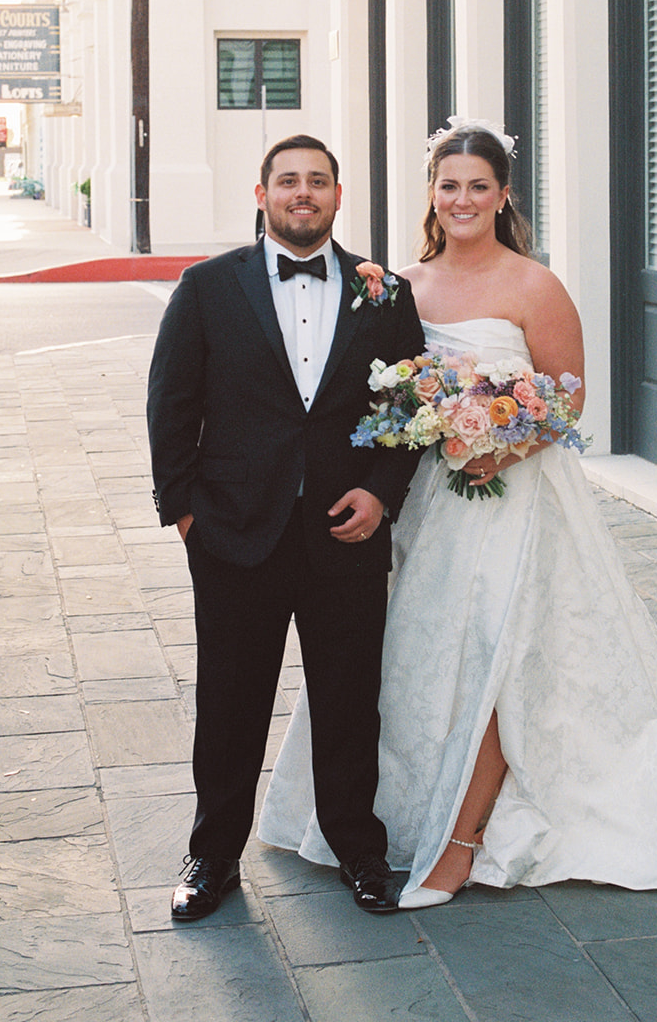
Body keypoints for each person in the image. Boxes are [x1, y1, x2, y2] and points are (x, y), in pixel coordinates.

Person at [259, 118, 657, 905]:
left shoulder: (534, 285)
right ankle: (383, 814)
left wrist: (489, 448)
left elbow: (565, 401)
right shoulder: (399, 284)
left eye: (478, 186)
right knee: (413, 655)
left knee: (500, 655)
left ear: (502, 196)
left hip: (514, 503)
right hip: (425, 506)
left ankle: (462, 841)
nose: (462, 200)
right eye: (448, 186)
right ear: (430, 197)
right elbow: (376, 392)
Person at [147, 133, 425, 921]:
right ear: (262, 195)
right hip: (234, 533)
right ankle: (211, 856)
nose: (303, 193)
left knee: (348, 699)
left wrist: (380, 496)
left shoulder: (385, 293)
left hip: (346, 532)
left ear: (338, 197)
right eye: (288, 181)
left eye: (318, 181)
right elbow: (171, 405)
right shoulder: (207, 287)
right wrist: (185, 513)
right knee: (231, 701)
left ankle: (358, 852)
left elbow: (405, 411)